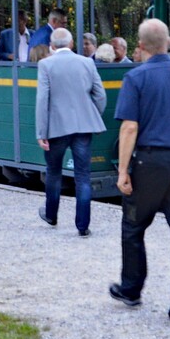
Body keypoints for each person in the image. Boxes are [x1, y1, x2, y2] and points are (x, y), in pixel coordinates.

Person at [109, 18, 170, 328]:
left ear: (139, 47)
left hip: (149, 165)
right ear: (167, 42)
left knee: (134, 227)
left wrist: (123, 171)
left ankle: (131, 289)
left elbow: (129, 127)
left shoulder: (135, 78)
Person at [35, 28, 106, 235]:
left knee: (54, 172)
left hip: (56, 128)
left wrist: (41, 132)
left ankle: (51, 214)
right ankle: (83, 226)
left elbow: (42, 100)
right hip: (83, 127)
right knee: (83, 176)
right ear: (72, 43)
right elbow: (100, 95)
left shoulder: (45, 64)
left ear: (51, 44)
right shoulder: (87, 62)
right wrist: (91, 115)